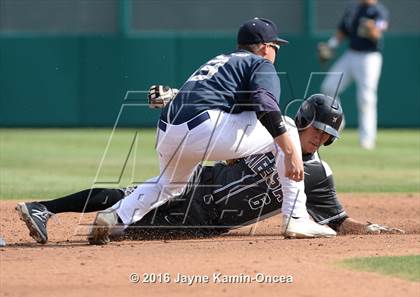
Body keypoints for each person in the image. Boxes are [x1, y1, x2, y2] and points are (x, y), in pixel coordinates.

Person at [15, 93, 403, 245]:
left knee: (123, 231)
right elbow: (229, 110)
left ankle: (71, 219)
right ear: (303, 120)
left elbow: (336, 219)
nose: (321, 137)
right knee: (125, 200)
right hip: (198, 189)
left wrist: (372, 230)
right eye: (318, 129)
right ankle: (44, 207)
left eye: (328, 134)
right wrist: (175, 97)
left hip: (209, 224)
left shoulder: (319, 174)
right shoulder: (271, 130)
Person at [85, 17, 336, 244]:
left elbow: (227, 102)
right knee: (288, 127)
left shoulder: (221, 61)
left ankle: (116, 217)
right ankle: (296, 218)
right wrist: (289, 150)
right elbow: (265, 103)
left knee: (170, 185)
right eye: (275, 47)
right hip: (204, 129)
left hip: (168, 129)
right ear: (264, 47)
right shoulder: (260, 64)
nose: (275, 52)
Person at [317, 0, 389, 149]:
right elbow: (342, 31)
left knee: (366, 98)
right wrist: (331, 45)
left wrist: (372, 29)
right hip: (351, 54)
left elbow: (378, 34)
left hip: (369, 57)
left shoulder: (379, 11)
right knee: (329, 87)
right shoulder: (353, 9)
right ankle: (338, 122)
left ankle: (367, 139)